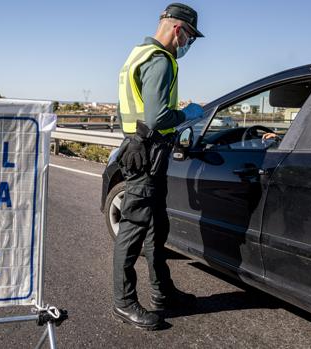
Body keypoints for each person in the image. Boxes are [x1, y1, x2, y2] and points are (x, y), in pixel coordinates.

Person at [113, 3, 205, 330]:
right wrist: (189, 113)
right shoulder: (160, 60)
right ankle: (124, 302)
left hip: (137, 147)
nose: (187, 44)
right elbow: (157, 118)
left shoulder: (136, 53)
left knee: (155, 227)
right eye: (190, 36)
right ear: (178, 29)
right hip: (147, 152)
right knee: (134, 230)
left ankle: (162, 291)